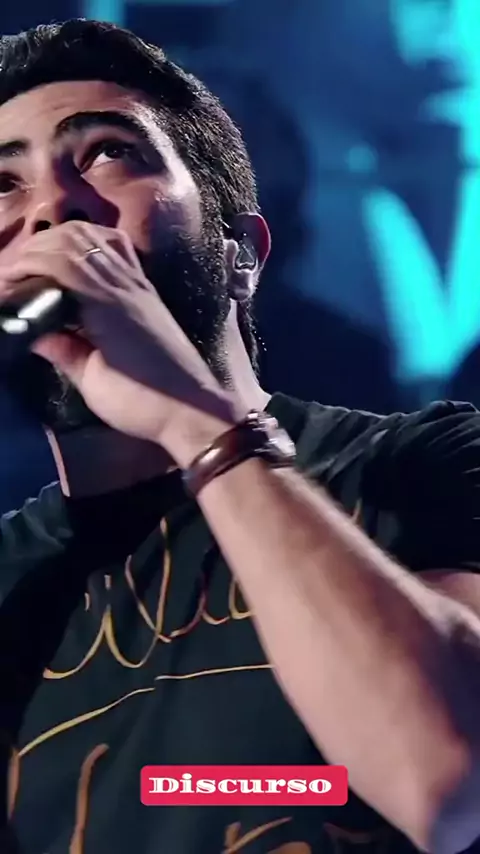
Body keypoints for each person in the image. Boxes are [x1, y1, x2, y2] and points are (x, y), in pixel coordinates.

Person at [0, 19, 479, 854]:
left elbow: (446, 779)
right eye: (3, 185)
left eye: (108, 153)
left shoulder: (420, 466)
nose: (52, 206)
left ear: (242, 256)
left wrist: (191, 420)